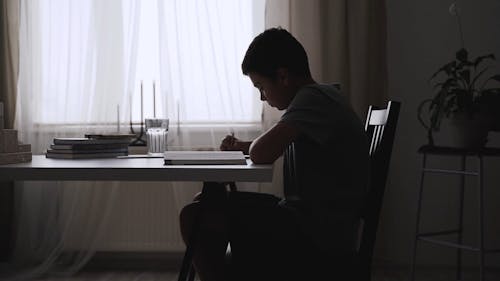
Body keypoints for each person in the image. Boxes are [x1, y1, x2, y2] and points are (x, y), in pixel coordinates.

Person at [179, 27, 369, 281]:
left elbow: (262, 153)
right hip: (313, 221)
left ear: (282, 76)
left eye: (261, 86)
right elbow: (268, 146)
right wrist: (244, 146)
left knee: (196, 215)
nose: (261, 97)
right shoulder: (321, 98)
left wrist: (252, 148)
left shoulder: (312, 99)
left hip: (316, 234)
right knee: (206, 200)